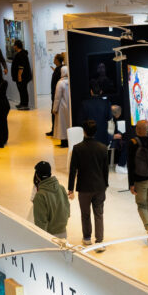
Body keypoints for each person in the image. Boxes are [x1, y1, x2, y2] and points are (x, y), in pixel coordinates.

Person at [68, 119, 109, 250]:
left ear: (84, 132)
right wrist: (105, 184)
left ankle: (87, 238)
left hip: (84, 187)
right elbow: (105, 170)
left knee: (85, 214)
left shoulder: (78, 148)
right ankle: (100, 242)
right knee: (99, 213)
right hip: (99, 187)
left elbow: (73, 170)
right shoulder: (103, 148)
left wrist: (70, 188)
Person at [32, 161, 70, 237]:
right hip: (63, 233)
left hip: (49, 236)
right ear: (50, 173)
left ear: (37, 176)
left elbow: (40, 223)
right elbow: (67, 210)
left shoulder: (40, 195)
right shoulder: (61, 188)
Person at [11, 39, 32, 110]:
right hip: (22, 76)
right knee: (21, 90)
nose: (13, 46)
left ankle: (25, 104)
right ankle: (22, 103)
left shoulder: (21, 54)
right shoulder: (21, 54)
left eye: (14, 45)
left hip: (23, 76)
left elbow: (21, 66)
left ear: (16, 46)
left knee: (23, 90)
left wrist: (19, 76)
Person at [46, 52, 64, 136]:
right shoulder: (59, 69)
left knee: (54, 113)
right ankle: (54, 129)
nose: (53, 59)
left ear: (57, 60)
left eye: (54, 58)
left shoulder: (59, 69)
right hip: (54, 94)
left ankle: (54, 130)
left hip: (55, 95)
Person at [53, 64, 70, 147]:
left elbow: (57, 97)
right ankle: (69, 140)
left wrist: (54, 108)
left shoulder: (60, 83)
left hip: (62, 106)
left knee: (62, 125)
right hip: (69, 106)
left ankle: (63, 141)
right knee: (68, 123)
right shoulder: (70, 81)